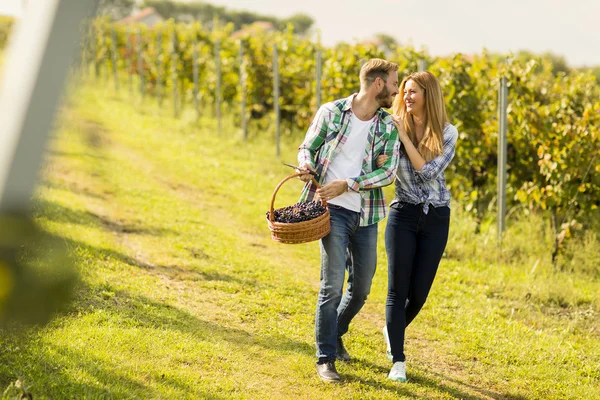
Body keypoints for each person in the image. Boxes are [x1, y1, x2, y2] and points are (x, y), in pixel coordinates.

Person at [296, 58, 401, 383]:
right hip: (331, 210)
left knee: (362, 288)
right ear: (378, 84)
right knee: (332, 285)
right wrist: (305, 166)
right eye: (394, 83)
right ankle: (325, 357)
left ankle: (336, 330)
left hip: (366, 214)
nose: (397, 90)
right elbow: (306, 148)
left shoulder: (388, 125)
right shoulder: (331, 112)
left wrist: (350, 183)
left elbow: (388, 172)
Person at [378, 71, 458, 382]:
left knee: (419, 294)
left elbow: (428, 173)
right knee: (396, 292)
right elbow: (379, 162)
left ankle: (391, 328)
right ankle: (398, 360)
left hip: (436, 217)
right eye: (405, 92)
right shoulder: (392, 125)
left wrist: (403, 141)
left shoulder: (447, 133)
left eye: (413, 92)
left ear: (429, 96)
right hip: (404, 214)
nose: (406, 97)